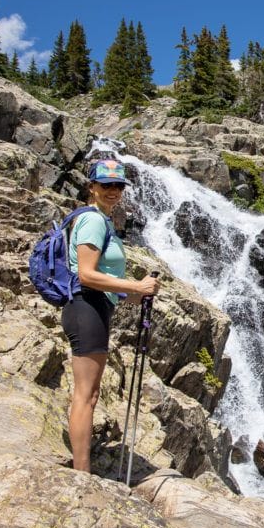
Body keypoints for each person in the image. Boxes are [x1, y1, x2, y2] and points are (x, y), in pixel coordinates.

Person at [63, 159, 159, 472]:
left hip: (96, 306)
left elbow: (103, 280)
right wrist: (136, 284)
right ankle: (82, 472)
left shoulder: (104, 222)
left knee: (88, 394)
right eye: (106, 185)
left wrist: (135, 294)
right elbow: (86, 275)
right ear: (92, 187)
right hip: (85, 306)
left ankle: (83, 467)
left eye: (118, 185)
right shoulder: (92, 220)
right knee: (86, 395)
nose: (113, 191)